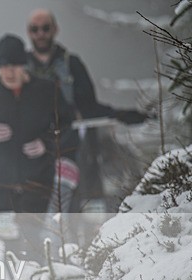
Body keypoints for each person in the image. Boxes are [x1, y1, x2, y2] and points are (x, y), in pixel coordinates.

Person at [0, 34, 77, 266]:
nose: (9, 72)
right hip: (2, 187)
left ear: (23, 65)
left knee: (35, 241)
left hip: (38, 182)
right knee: (9, 244)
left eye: (14, 66)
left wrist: (46, 143)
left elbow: (67, 125)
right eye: (4, 67)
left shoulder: (46, 90)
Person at [25, 8, 151, 214]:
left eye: (45, 28)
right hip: (33, 148)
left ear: (55, 29)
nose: (40, 34)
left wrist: (121, 115)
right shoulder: (19, 68)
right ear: (29, 32)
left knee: (80, 198)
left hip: (71, 144)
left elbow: (90, 107)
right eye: (35, 29)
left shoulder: (71, 64)